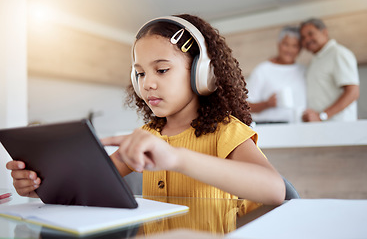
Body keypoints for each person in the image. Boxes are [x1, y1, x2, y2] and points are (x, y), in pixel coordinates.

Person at [6, 14, 285, 210]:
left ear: (203, 74)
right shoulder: (147, 136)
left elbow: (274, 190)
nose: (147, 83)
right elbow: (82, 190)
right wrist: (40, 185)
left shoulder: (225, 130)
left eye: (162, 70)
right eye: (139, 73)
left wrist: (176, 158)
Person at [300, 18, 360, 122]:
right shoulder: (315, 60)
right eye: (303, 37)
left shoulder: (338, 53)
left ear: (325, 32)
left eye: (310, 34)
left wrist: (322, 116)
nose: (307, 40)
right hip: (322, 127)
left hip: (338, 126)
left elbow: (353, 92)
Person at [246, 26, 306, 124]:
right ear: (279, 44)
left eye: (295, 46)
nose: (289, 50)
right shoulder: (263, 70)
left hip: (298, 127)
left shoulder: (303, 71)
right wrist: (267, 104)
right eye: (286, 44)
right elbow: (246, 106)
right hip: (269, 126)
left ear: (300, 49)